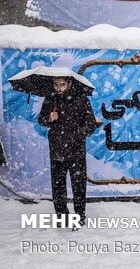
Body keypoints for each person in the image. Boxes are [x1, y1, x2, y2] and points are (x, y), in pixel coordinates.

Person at [38, 76, 97, 227]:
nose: (58, 88)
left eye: (62, 84)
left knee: (78, 186)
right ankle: (62, 217)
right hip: (57, 150)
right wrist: (48, 118)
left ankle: (79, 217)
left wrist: (79, 133)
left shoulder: (81, 99)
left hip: (76, 150)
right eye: (56, 84)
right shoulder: (50, 99)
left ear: (69, 84)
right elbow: (41, 120)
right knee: (58, 187)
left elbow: (91, 123)